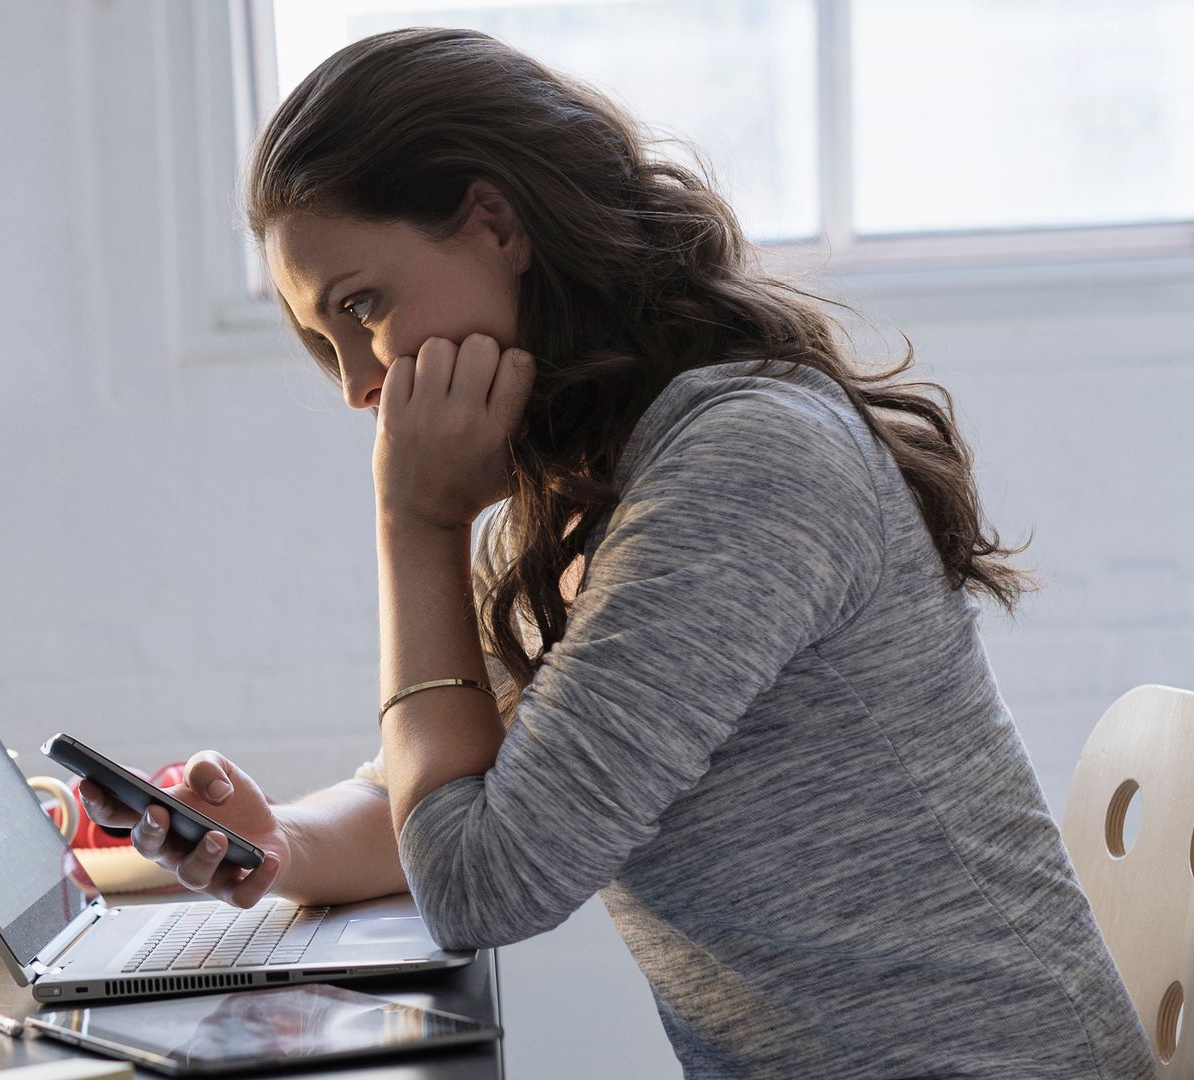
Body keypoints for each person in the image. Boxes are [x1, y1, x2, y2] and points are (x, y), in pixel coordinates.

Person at [76, 27, 1151, 1078]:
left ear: (495, 221)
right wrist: (277, 847)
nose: (358, 382)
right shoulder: (605, 483)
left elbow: (480, 884)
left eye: (364, 306)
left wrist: (417, 525)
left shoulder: (743, 464)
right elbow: (449, 796)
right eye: (323, 341)